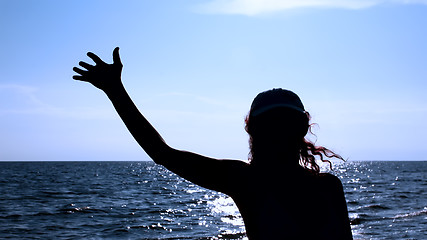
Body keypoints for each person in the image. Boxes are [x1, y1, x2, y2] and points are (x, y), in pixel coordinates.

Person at [73, 47, 353, 240]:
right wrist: (115, 91)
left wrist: (115, 91)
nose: (278, 133)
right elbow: (161, 153)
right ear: (304, 126)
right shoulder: (323, 186)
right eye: (273, 124)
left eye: (283, 124)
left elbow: (161, 153)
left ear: (249, 128)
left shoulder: (246, 180)